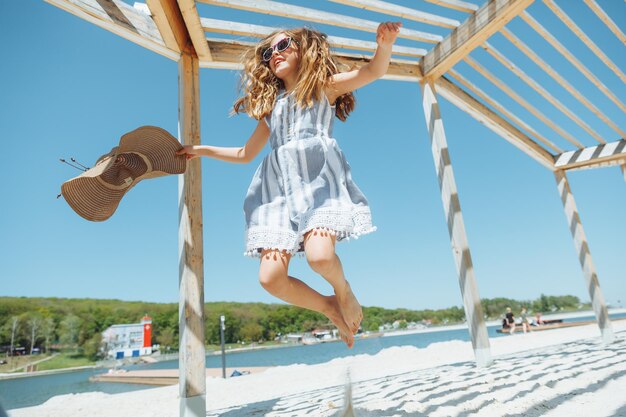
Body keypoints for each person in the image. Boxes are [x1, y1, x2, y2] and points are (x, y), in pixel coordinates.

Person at [177, 22, 402, 348]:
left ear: (303, 48)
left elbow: (373, 71)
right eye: (267, 53)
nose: (274, 55)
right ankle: (328, 306)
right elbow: (244, 154)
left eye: (282, 45)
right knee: (270, 278)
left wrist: (384, 45)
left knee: (320, 258)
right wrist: (199, 150)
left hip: (317, 184)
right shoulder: (271, 109)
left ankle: (344, 291)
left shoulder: (323, 88)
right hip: (277, 194)